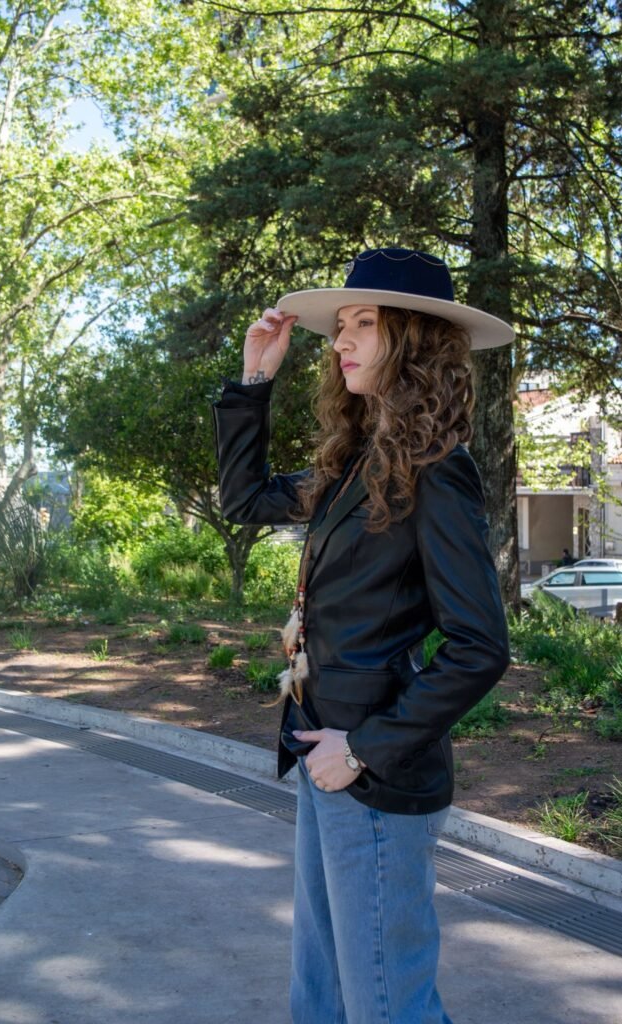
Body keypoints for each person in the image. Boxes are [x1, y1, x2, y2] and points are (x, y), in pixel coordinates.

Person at [212, 247, 513, 1024]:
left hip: (371, 770)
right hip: (323, 748)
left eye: (364, 323)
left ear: (413, 339)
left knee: (384, 1002)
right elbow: (244, 499)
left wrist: (364, 748)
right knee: (321, 991)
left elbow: (480, 646)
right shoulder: (357, 463)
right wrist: (254, 380)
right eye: (340, 324)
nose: (340, 339)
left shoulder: (437, 470)